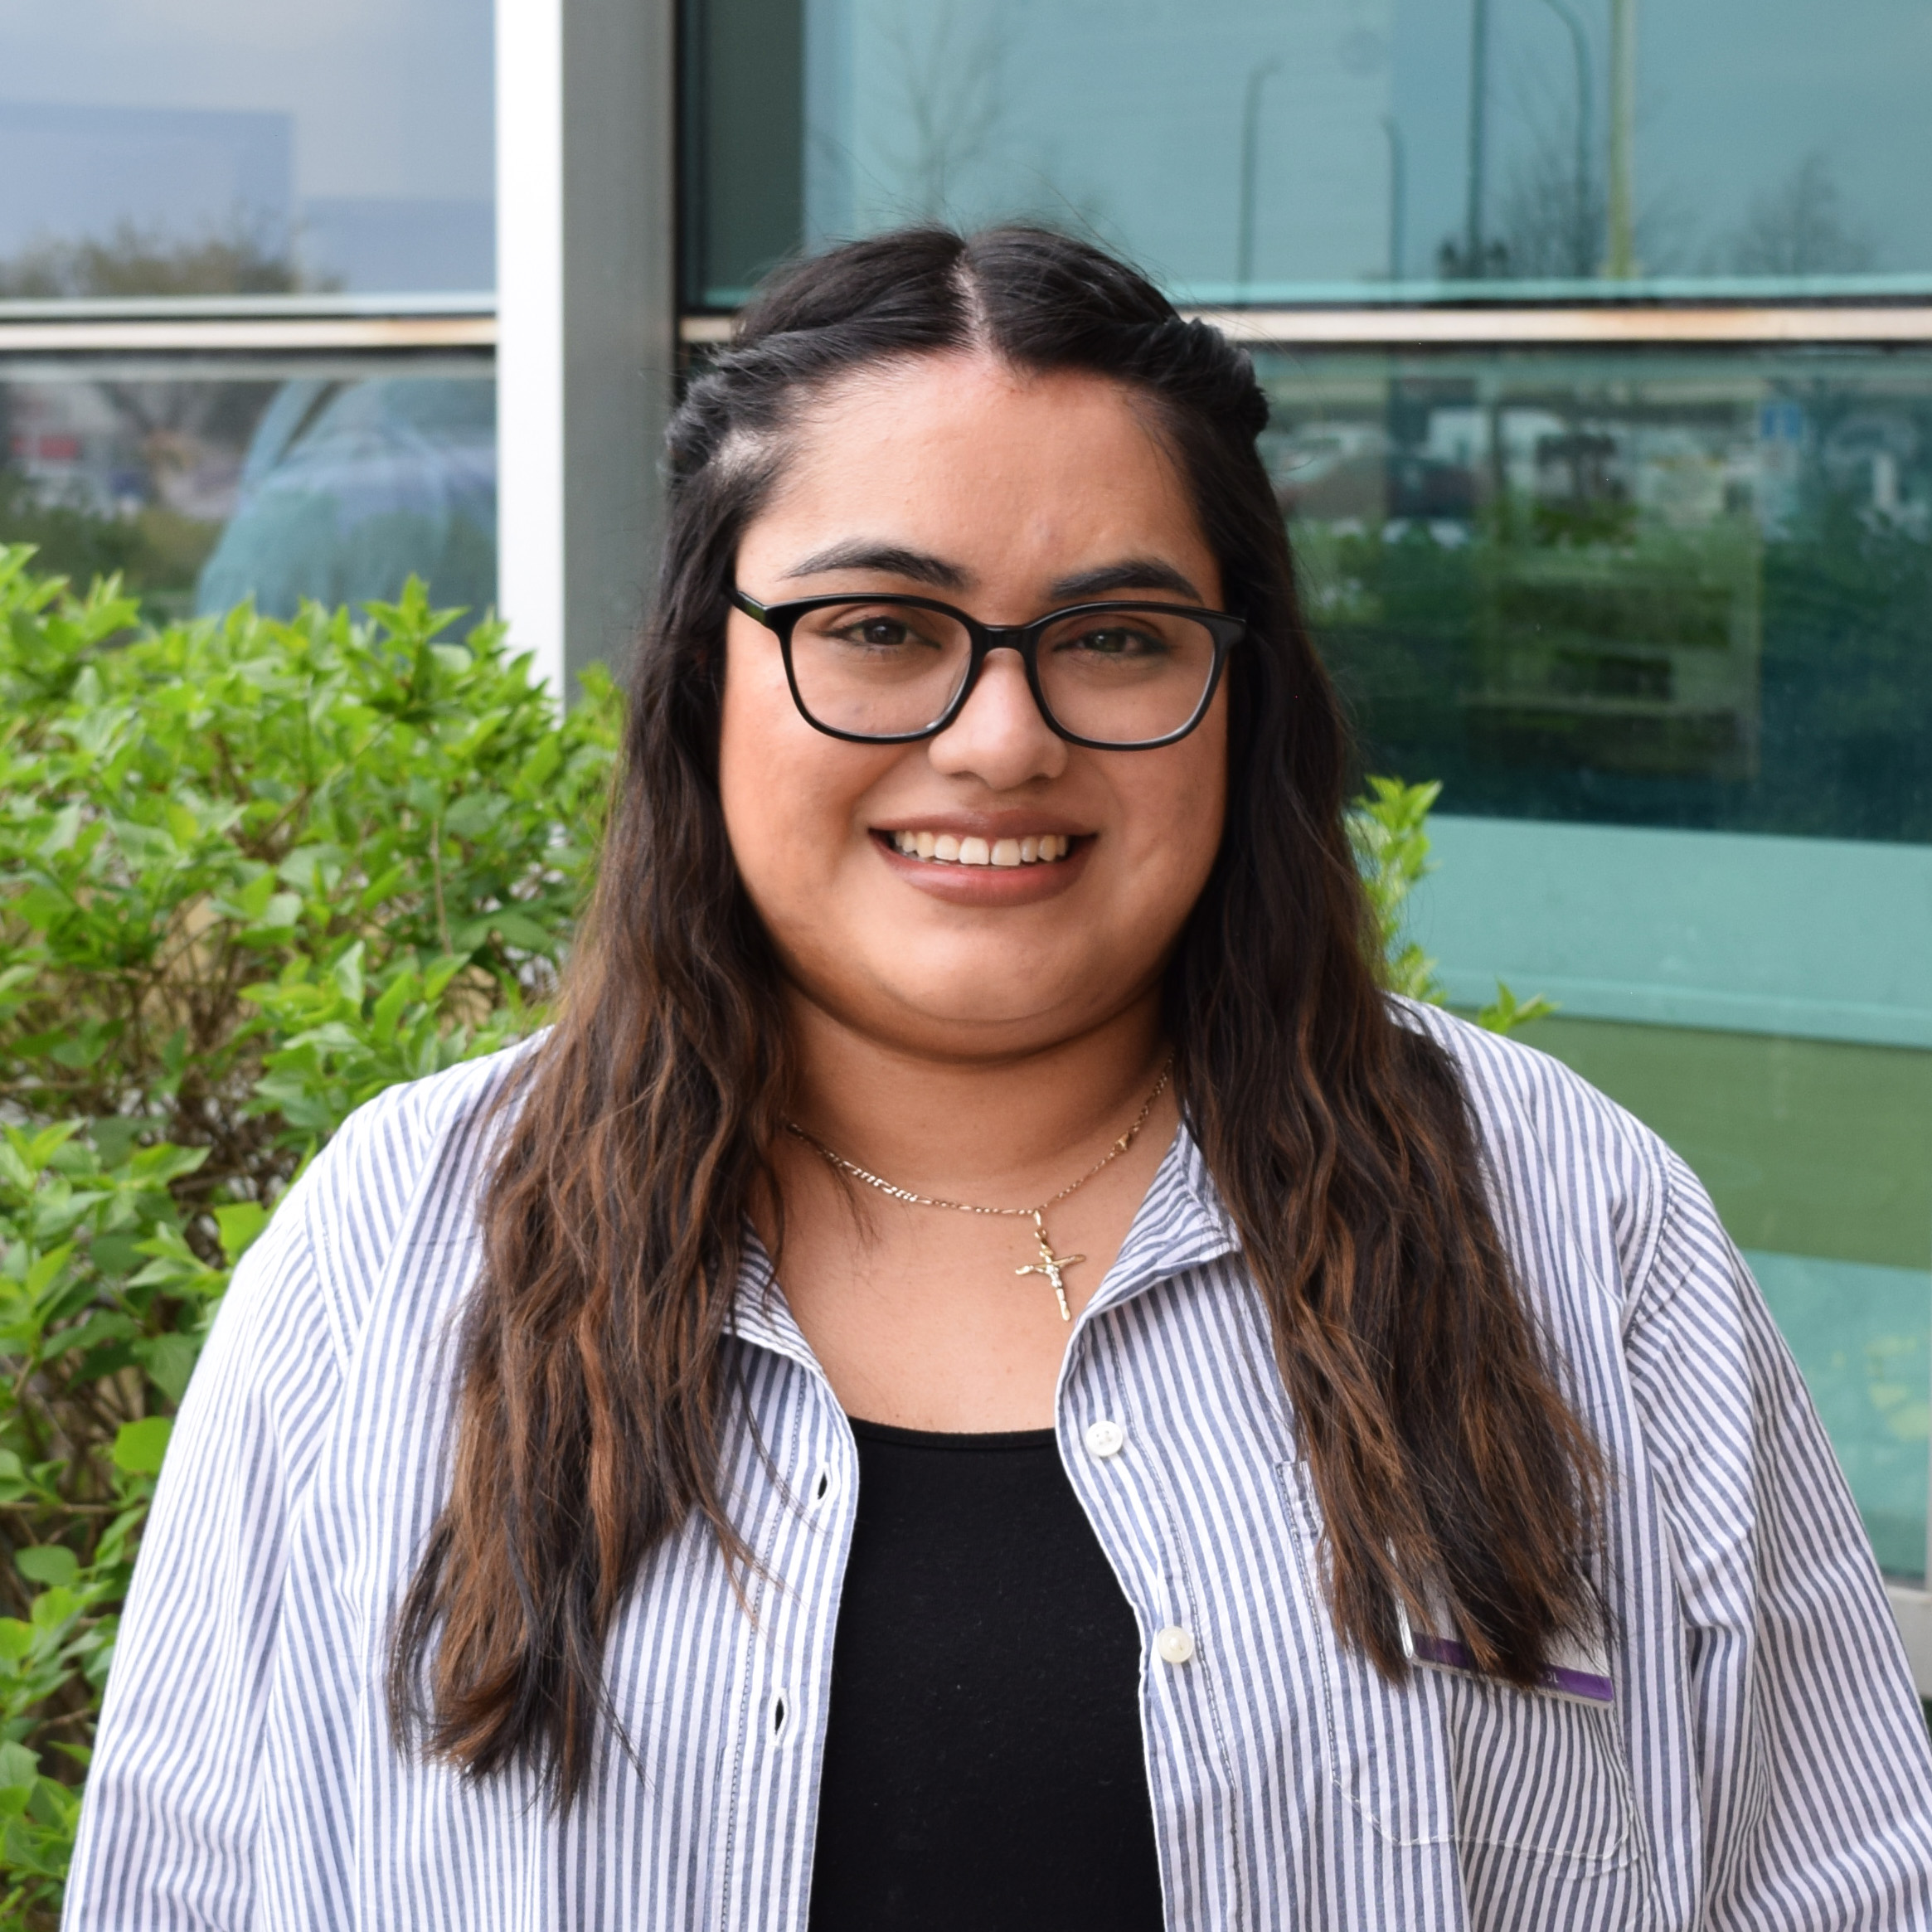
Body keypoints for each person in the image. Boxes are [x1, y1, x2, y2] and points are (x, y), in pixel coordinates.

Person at [66, 227, 1932, 1931]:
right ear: (704, 681)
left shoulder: (1562, 1223)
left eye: (1117, 640)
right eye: (878, 628)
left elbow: (1843, 1877)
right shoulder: (402, 1253)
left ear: (1241, 689)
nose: (998, 738)